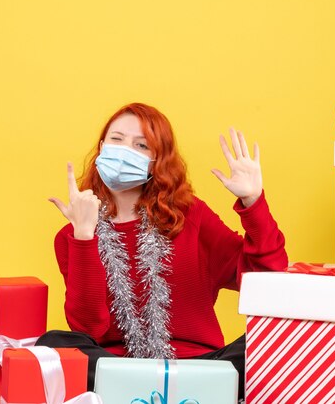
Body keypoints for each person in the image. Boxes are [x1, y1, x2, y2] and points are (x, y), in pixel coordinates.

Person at [36, 102, 288, 399]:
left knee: (275, 338)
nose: (125, 150)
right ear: (102, 147)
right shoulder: (73, 234)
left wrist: (253, 202)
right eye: (116, 140)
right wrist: (84, 236)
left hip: (198, 366)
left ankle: (159, 390)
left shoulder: (190, 216)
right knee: (53, 344)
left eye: (141, 145)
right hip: (117, 368)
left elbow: (268, 280)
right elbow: (88, 327)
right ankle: (165, 392)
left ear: (157, 161)